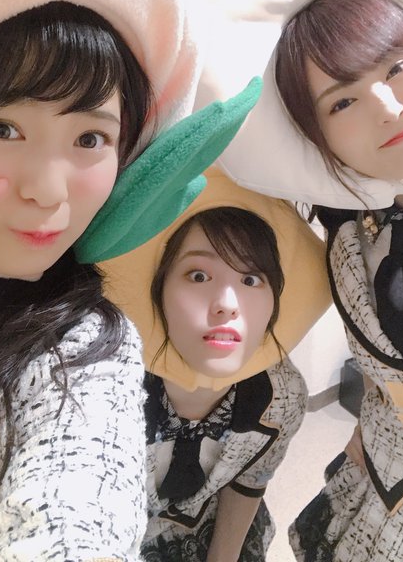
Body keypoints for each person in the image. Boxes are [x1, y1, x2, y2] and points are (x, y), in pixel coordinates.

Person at [0, 0, 260, 559]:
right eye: (2, 127)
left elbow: (77, 522)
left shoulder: (84, 352)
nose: (47, 191)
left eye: (90, 138)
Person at [275, 0, 403, 562]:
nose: (386, 105)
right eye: (342, 102)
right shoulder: (343, 236)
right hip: (381, 485)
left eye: (397, 68)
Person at [102, 168, 332, 562]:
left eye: (251, 280)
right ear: (158, 290)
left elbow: (250, 481)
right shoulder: (99, 389)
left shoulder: (283, 396)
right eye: (198, 275)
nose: (227, 304)